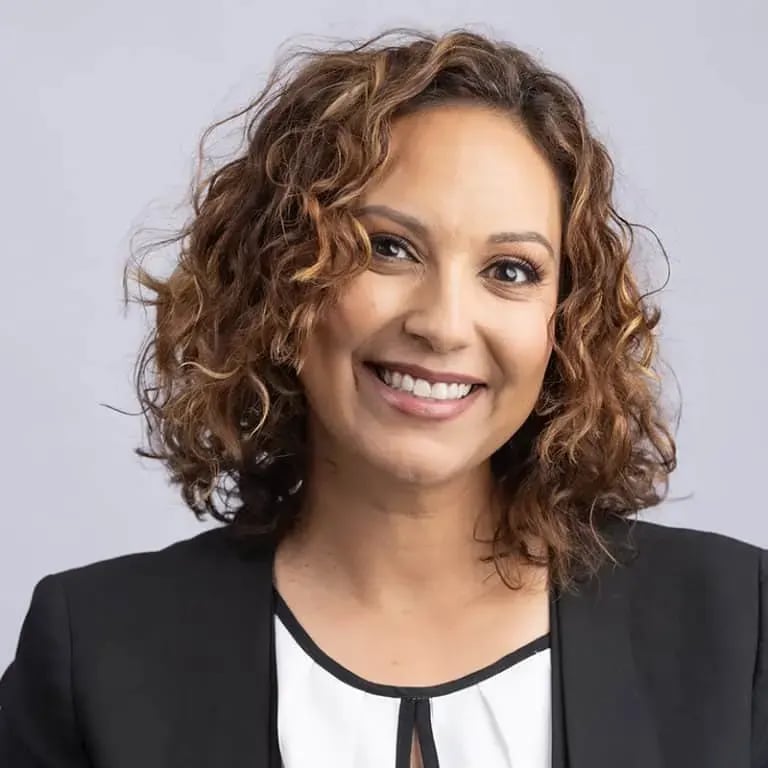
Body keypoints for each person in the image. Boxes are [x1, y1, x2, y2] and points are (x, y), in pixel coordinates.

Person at [0, 26, 766, 768]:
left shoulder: (739, 628)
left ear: (564, 323)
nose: (443, 325)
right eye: (388, 249)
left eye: (509, 270)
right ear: (279, 280)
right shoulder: (96, 654)